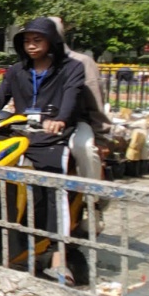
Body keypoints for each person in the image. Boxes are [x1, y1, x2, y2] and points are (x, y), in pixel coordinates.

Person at [0, 17, 88, 275]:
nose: (31, 46)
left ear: (51, 42)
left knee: (52, 185)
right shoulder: (16, 71)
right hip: (21, 135)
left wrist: (60, 120)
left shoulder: (71, 68)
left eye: (37, 40)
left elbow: (71, 96)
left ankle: (58, 253)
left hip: (53, 138)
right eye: (27, 41)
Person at [49, 16, 108, 181]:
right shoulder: (31, 63)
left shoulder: (82, 62)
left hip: (75, 122)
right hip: (37, 121)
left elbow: (95, 101)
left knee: (85, 148)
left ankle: (92, 197)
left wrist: (100, 136)